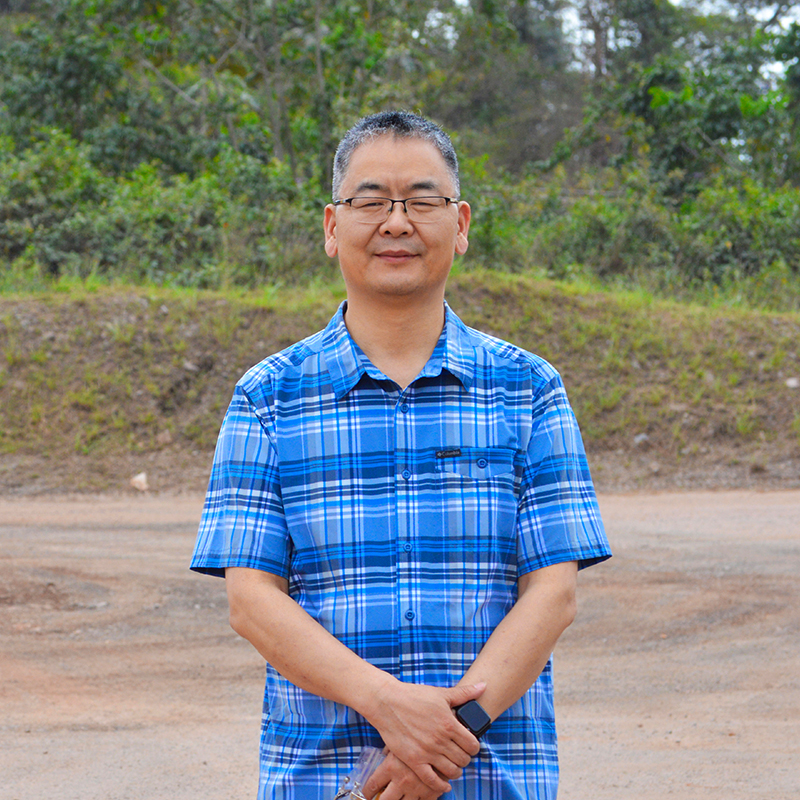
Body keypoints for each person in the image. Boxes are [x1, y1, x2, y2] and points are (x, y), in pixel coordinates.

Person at [190, 110, 611, 800]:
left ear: (461, 224)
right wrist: (389, 706)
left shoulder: (529, 390)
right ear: (332, 227)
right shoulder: (267, 397)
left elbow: (553, 594)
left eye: (422, 201)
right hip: (325, 781)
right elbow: (251, 600)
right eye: (370, 202)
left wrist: (441, 744)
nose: (396, 223)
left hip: (490, 778)